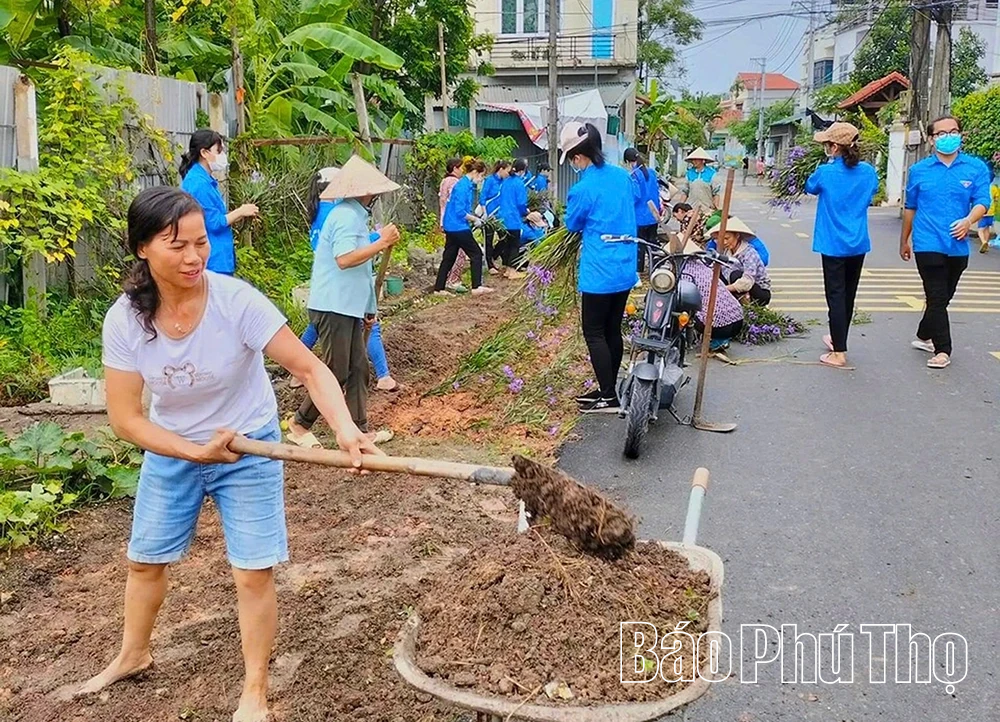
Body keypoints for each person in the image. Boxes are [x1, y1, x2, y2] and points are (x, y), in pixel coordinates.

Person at [86, 185, 380, 722]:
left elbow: (310, 368)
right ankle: (133, 654)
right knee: (144, 560)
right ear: (142, 248)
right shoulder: (125, 320)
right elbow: (126, 418)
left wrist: (344, 429)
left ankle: (255, 691)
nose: (194, 256)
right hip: (172, 446)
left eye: (201, 242)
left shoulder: (236, 301)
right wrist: (192, 451)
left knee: (252, 571)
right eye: (177, 245)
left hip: (247, 443)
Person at [286, 156, 401, 447]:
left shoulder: (355, 216)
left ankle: (359, 430)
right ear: (365, 191)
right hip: (332, 305)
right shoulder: (345, 216)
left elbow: (363, 271)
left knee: (358, 368)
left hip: (347, 306)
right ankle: (299, 424)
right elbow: (345, 259)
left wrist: (369, 309)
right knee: (336, 370)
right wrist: (381, 242)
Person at [294, 167, 398, 392]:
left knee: (349, 361)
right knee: (340, 369)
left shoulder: (324, 210)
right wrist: (380, 239)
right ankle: (383, 375)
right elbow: (345, 254)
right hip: (340, 290)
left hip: (335, 289)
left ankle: (297, 371)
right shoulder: (340, 213)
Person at [900, 115, 990, 370]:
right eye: (941, 133)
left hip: (958, 244)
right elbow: (910, 207)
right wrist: (904, 240)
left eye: (953, 131)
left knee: (942, 297)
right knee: (937, 295)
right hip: (927, 241)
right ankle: (943, 350)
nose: (948, 137)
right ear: (931, 139)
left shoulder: (975, 168)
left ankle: (923, 334)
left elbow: (983, 201)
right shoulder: (919, 171)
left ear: (960, 135)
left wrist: (968, 221)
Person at [559, 121, 638, 414]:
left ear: (578, 157)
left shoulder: (583, 189)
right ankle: (609, 388)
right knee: (612, 329)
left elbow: (572, 224)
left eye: (573, 160)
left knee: (594, 332)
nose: (574, 165)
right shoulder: (622, 176)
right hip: (625, 266)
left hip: (600, 271)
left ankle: (608, 396)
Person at [804, 122, 879, 369]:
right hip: (857, 242)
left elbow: (810, 187)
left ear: (835, 147)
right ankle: (838, 339)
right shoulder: (868, 171)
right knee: (848, 295)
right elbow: (872, 191)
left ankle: (839, 353)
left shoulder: (826, 172)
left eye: (827, 144)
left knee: (835, 296)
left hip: (833, 242)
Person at [179, 129, 258, 275]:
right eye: (219, 150)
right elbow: (214, 223)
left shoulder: (202, 179)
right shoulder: (199, 184)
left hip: (215, 258)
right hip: (212, 261)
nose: (222, 155)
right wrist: (240, 211)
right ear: (204, 153)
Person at [435, 158, 493, 296]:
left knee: (449, 257)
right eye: (481, 176)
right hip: (458, 226)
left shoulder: (465, 185)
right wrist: (475, 219)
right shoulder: (462, 186)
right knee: (476, 254)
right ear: (475, 172)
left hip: (452, 225)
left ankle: (439, 288)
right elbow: (460, 211)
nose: (481, 179)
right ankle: (476, 286)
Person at [679, 240, 745, 351]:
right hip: (738, 318)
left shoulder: (685, 272)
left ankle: (694, 339)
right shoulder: (703, 266)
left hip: (718, 325)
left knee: (685, 307)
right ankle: (720, 340)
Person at [709, 217, 771, 306]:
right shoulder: (725, 251)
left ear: (737, 236)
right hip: (733, 285)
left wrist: (722, 290)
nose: (724, 242)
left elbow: (747, 282)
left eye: (727, 238)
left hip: (758, 292)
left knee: (736, 274)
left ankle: (745, 305)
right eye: (722, 239)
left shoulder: (749, 253)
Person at [624, 147, 661, 275]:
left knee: (640, 244)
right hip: (653, 214)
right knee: (653, 243)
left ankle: (639, 271)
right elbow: (657, 192)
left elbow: (635, 196)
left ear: (628, 161)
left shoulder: (634, 175)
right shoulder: (652, 172)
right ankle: (655, 268)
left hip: (640, 217)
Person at [496, 158, 530, 279]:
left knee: (507, 244)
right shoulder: (519, 183)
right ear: (522, 171)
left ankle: (506, 269)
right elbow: (521, 203)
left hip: (502, 217)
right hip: (513, 218)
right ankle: (512, 271)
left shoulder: (506, 181)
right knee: (515, 245)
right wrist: (526, 212)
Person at [439, 158, 469, 290]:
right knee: (460, 253)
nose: (462, 170)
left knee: (449, 253)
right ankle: (453, 280)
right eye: (461, 168)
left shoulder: (444, 181)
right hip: (455, 221)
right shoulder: (455, 183)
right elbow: (456, 204)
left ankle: (444, 281)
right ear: (455, 168)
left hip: (445, 219)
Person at [480, 160, 510, 273]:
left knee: (505, 238)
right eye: (507, 171)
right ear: (501, 169)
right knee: (488, 239)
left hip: (500, 215)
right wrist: (485, 213)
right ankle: (490, 265)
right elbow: (483, 197)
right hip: (489, 214)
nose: (508, 174)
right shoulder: (490, 180)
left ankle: (494, 256)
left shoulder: (505, 182)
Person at [678, 147, 721, 216]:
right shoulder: (689, 173)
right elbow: (685, 191)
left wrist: (716, 207)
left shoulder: (711, 173)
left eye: (696, 159)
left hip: (707, 209)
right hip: (692, 209)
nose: (694, 161)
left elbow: (716, 192)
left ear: (703, 160)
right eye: (693, 159)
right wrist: (680, 206)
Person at [977, 173, 998, 254]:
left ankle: (983, 242)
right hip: (991, 211)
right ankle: (986, 243)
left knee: (980, 229)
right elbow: (996, 199)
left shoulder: (982, 187)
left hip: (983, 210)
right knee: (987, 228)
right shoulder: (994, 188)